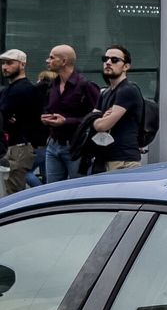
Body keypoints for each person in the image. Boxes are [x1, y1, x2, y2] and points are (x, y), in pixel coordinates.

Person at [38, 44, 102, 183]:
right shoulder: (53, 84)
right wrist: (47, 117)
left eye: (51, 57)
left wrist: (66, 121)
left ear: (64, 61)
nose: (47, 61)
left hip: (76, 146)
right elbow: (49, 108)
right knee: (51, 191)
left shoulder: (85, 85)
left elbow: (97, 117)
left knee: (78, 188)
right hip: (53, 144)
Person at [87, 45, 146, 173]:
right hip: (105, 158)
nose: (108, 62)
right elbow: (90, 121)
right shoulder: (104, 92)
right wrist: (101, 118)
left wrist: (100, 119)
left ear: (126, 66)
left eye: (114, 60)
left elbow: (102, 126)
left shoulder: (128, 90)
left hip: (123, 160)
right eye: (105, 59)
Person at [1, 48, 47, 196]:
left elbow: (5, 113)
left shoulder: (24, 89)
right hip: (12, 145)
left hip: (19, 146)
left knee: (12, 191)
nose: (4, 67)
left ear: (22, 64)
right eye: (3, 63)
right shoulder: (10, 89)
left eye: (9, 63)